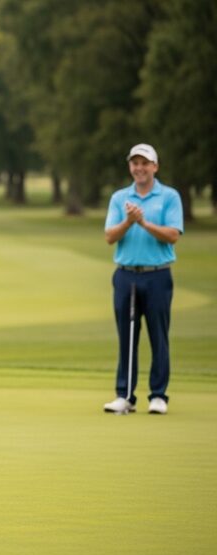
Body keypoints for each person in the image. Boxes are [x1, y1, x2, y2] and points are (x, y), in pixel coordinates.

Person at [102, 143, 183, 415]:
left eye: (144, 163)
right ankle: (124, 396)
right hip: (126, 276)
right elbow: (110, 236)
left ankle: (158, 395)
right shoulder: (119, 198)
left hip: (158, 275)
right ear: (130, 167)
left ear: (155, 167)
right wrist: (128, 221)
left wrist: (144, 223)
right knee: (127, 337)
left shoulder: (169, 197)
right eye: (135, 163)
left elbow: (173, 235)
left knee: (159, 336)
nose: (139, 168)